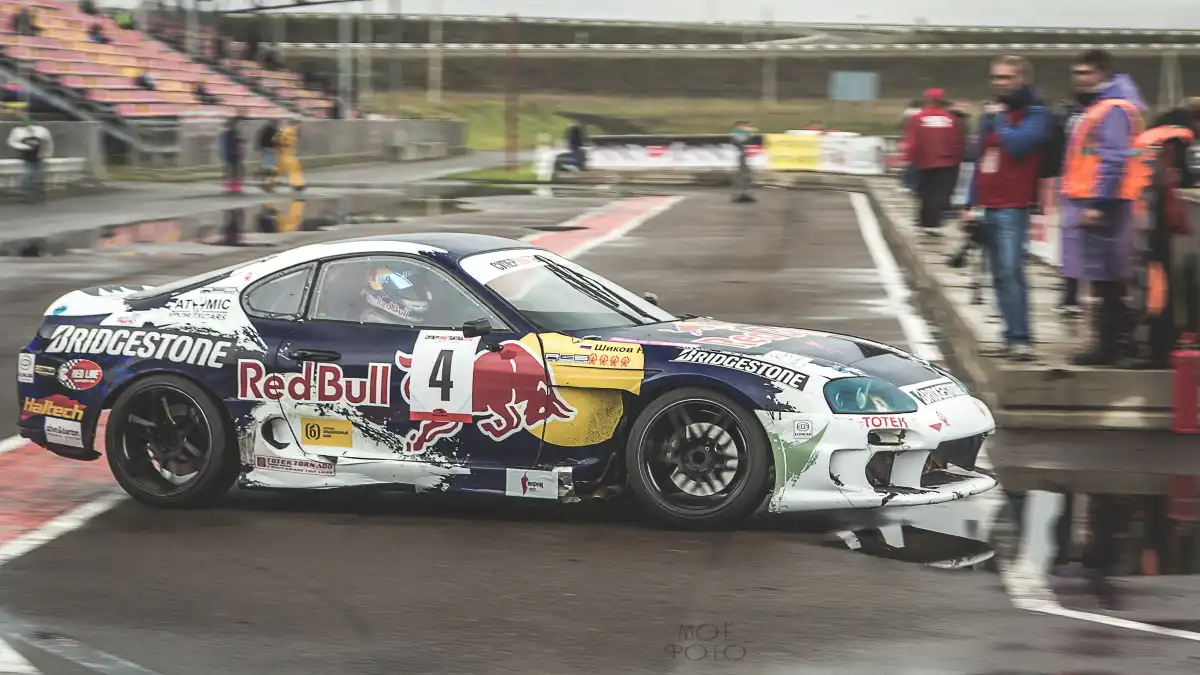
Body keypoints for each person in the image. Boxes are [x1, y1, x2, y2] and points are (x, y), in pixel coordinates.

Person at [1059, 49, 1148, 366]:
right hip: (1096, 201)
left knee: (1108, 279)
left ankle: (1111, 347)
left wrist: (1099, 204)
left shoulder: (1112, 109)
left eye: (1086, 73)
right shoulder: (1099, 107)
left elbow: (1113, 160)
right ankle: (1111, 345)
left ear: (1103, 74)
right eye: (1076, 73)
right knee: (1101, 279)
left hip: (1104, 205)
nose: (1079, 79)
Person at [960, 56, 1051, 362]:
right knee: (998, 274)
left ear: (1022, 79)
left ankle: (1021, 338)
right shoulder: (990, 113)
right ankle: (1009, 335)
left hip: (1015, 205)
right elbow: (980, 159)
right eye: (995, 77)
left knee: (1012, 271)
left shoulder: (1036, 113)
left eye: (1006, 78)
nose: (999, 83)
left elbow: (1017, 145)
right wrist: (969, 202)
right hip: (988, 204)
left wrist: (998, 119)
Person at [904, 88, 965, 236]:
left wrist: (909, 158)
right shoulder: (950, 119)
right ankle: (933, 222)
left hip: (924, 160)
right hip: (946, 161)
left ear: (927, 100)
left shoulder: (919, 118)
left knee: (925, 191)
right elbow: (957, 141)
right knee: (940, 192)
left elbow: (912, 141)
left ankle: (924, 220)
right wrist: (957, 160)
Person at [6, 115, 53, 204]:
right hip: (28, 157)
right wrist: (25, 147)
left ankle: (36, 194)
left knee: (36, 175)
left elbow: (48, 144)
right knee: (29, 175)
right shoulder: (19, 132)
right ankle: (29, 194)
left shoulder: (41, 132)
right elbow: (12, 142)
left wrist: (46, 154)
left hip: (38, 156)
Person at [267, 118, 305, 192]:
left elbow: (276, 140)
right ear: (294, 124)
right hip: (284, 153)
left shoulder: (292, 132)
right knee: (294, 166)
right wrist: (282, 145)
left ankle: (269, 182)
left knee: (278, 169)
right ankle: (297, 184)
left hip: (286, 153)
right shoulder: (286, 131)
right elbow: (275, 140)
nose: (300, 127)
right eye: (298, 125)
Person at [731, 120, 756, 203]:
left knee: (747, 174)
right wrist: (748, 131)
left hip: (745, 156)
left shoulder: (740, 133)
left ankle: (745, 192)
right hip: (741, 156)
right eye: (741, 126)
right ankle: (741, 193)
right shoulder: (736, 134)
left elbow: (748, 139)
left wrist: (748, 131)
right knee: (742, 175)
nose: (743, 127)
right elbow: (743, 140)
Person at [220, 116, 244, 194]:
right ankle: (232, 185)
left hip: (234, 153)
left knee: (234, 169)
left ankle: (234, 185)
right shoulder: (228, 133)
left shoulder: (233, 132)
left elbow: (235, 142)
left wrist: (239, 141)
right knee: (231, 170)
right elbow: (229, 143)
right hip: (231, 153)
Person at [256, 117, 280, 190]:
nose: (278, 123)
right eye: (277, 122)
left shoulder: (267, 128)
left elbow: (260, 137)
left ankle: (267, 182)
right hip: (269, 149)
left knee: (267, 165)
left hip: (268, 148)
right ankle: (267, 182)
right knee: (269, 166)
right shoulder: (271, 129)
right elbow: (275, 140)